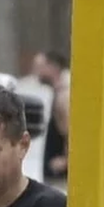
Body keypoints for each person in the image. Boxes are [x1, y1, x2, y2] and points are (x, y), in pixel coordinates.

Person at [31, 50, 70, 190]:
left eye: (39, 67)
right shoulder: (59, 93)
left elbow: (72, 133)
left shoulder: (64, 96)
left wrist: (66, 161)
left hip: (61, 179)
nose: (36, 72)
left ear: (53, 67)